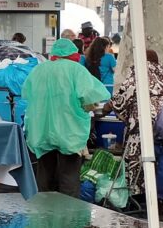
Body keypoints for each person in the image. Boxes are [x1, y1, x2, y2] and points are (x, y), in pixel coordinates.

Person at [21, 38, 110, 197]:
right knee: (69, 177)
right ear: (73, 53)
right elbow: (91, 98)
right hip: (69, 131)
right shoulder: (76, 70)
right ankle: (69, 218)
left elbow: (27, 95)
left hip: (42, 131)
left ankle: (44, 215)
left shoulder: (39, 70)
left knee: (44, 177)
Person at [108, 50, 163, 197]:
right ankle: (160, 199)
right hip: (162, 127)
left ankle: (140, 196)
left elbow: (121, 99)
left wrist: (108, 108)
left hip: (143, 126)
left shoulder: (138, 73)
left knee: (138, 162)